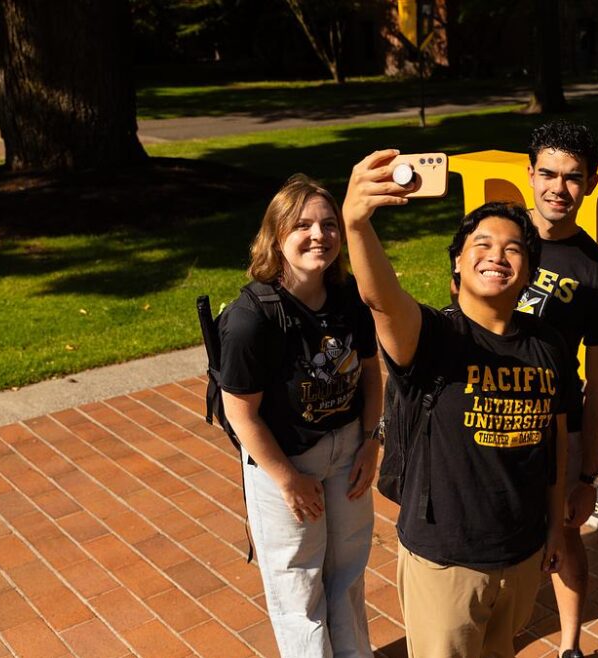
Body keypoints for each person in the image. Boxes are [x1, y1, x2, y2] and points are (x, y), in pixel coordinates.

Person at [341, 149, 572, 658]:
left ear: (530, 271)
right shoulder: (433, 336)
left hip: (522, 549)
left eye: (514, 249)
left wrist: (554, 527)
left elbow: (552, 446)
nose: (498, 255)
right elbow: (381, 299)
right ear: (458, 262)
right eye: (482, 244)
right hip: (446, 560)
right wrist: (356, 225)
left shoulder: (547, 343)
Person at [218, 174, 382, 658]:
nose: (319, 235)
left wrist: (372, 440)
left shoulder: (347, 295)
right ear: (276, 236)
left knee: (348, 574)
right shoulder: (253, 317)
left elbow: (372, 373)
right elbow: (240, 415)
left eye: (329, 224)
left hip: (349, 446)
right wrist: (287, 479)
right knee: (298, 587)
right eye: (303, 225)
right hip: (285, 460)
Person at [519, 120, 598, 658]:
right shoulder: (494, 235)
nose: (559, 188)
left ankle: (570, 645)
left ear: (593, 183)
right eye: (549, 174)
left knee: (565, 533)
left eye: (573, 177)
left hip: (560, 429)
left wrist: (588, 475)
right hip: (486, 413)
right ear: (529, 173)